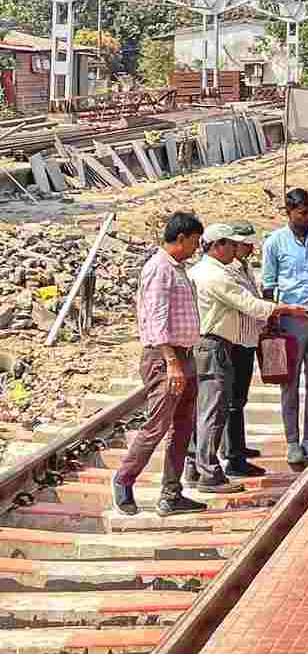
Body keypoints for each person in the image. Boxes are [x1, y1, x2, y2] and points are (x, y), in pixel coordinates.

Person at [184, 225, 307, 492]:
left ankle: (196, 467)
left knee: (210, 408)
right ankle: (209, 473)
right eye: (231, 245)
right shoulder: (214, 275)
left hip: (217, 343)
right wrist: (284, 309)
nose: (235, 250)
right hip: (214, 344)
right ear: (218, 246)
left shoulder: (209, 271)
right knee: (213, 411)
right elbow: (248, 304)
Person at [111, 213, 207, 518]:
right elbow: (156, 318)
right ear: (181, 239)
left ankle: (171, 493)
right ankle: (124, 479)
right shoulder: (159, 269)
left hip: (184, 355)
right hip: (167, 358)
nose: (196, 248)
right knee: (157, 425)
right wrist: (171, 363)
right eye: (194, 242)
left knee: (182, 426)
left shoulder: (176, 269)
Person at [261, 188, 308, 468]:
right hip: (290, 320)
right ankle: (292, 442)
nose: (307, 218)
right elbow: (268, 285)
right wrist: (272, 321)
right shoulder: (275, 243)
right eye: (302, 213)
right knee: (288, 384)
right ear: (288, 212)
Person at [220, 221, 265, 475]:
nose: (250, 249)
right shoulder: (228, 271)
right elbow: (247, 303)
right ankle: (234, 457)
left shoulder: (243, 267)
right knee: (233, 401)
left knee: (240, 398)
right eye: (246, 244)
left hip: (247, 339)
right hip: (236, 341)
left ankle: (237, 446)